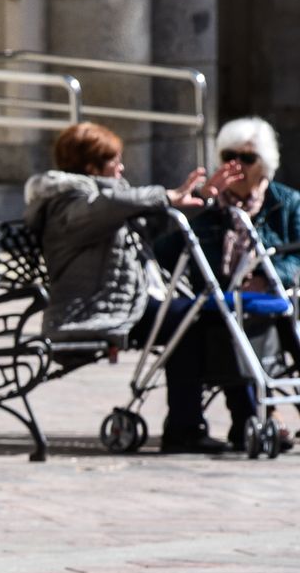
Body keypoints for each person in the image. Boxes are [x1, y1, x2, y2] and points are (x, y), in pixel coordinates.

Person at [23, 121, 239, 453]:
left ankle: (240, 421)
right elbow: (104, 209)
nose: (122, 167)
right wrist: (163, 195)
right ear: (91, 165)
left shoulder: (109, 199)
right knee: (190, 319)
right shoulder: (69, 203)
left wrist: (200, 198)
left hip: (128, 300)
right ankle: (185, 428)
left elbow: (151, 225)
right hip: (93, 308)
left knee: (210, 314)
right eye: (115, 161)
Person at [154, 116, 300, 449]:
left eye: (247, 159)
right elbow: (164, 251)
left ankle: (253, 419)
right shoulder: (209, 207)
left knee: (264, 322)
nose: (237, 166)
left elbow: (297, 254)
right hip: (219, 301)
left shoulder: (286, 202)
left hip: (275, 299)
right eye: (229, 157)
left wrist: (268, 275)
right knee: (205, 321)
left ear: (264, 164)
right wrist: (203, 199)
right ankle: (248, 419)